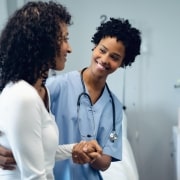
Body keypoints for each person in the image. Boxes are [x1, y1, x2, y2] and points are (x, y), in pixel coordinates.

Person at [0, 17, 141, 180]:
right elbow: (11, 115)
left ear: (123, 62)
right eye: (102, 50)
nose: (104, 59)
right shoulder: (56, 86)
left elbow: (106, 162)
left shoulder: (115, 108)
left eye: (114, 57)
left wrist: (92, 155)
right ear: (94, 46)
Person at [0, 1, 102, 179]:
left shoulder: (42, 89)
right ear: (41, 43)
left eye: (116, 57)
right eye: (63, 39)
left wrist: (76, 148)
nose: (69, 48)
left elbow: (39, 150)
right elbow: (34, 174)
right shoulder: (28, 94)